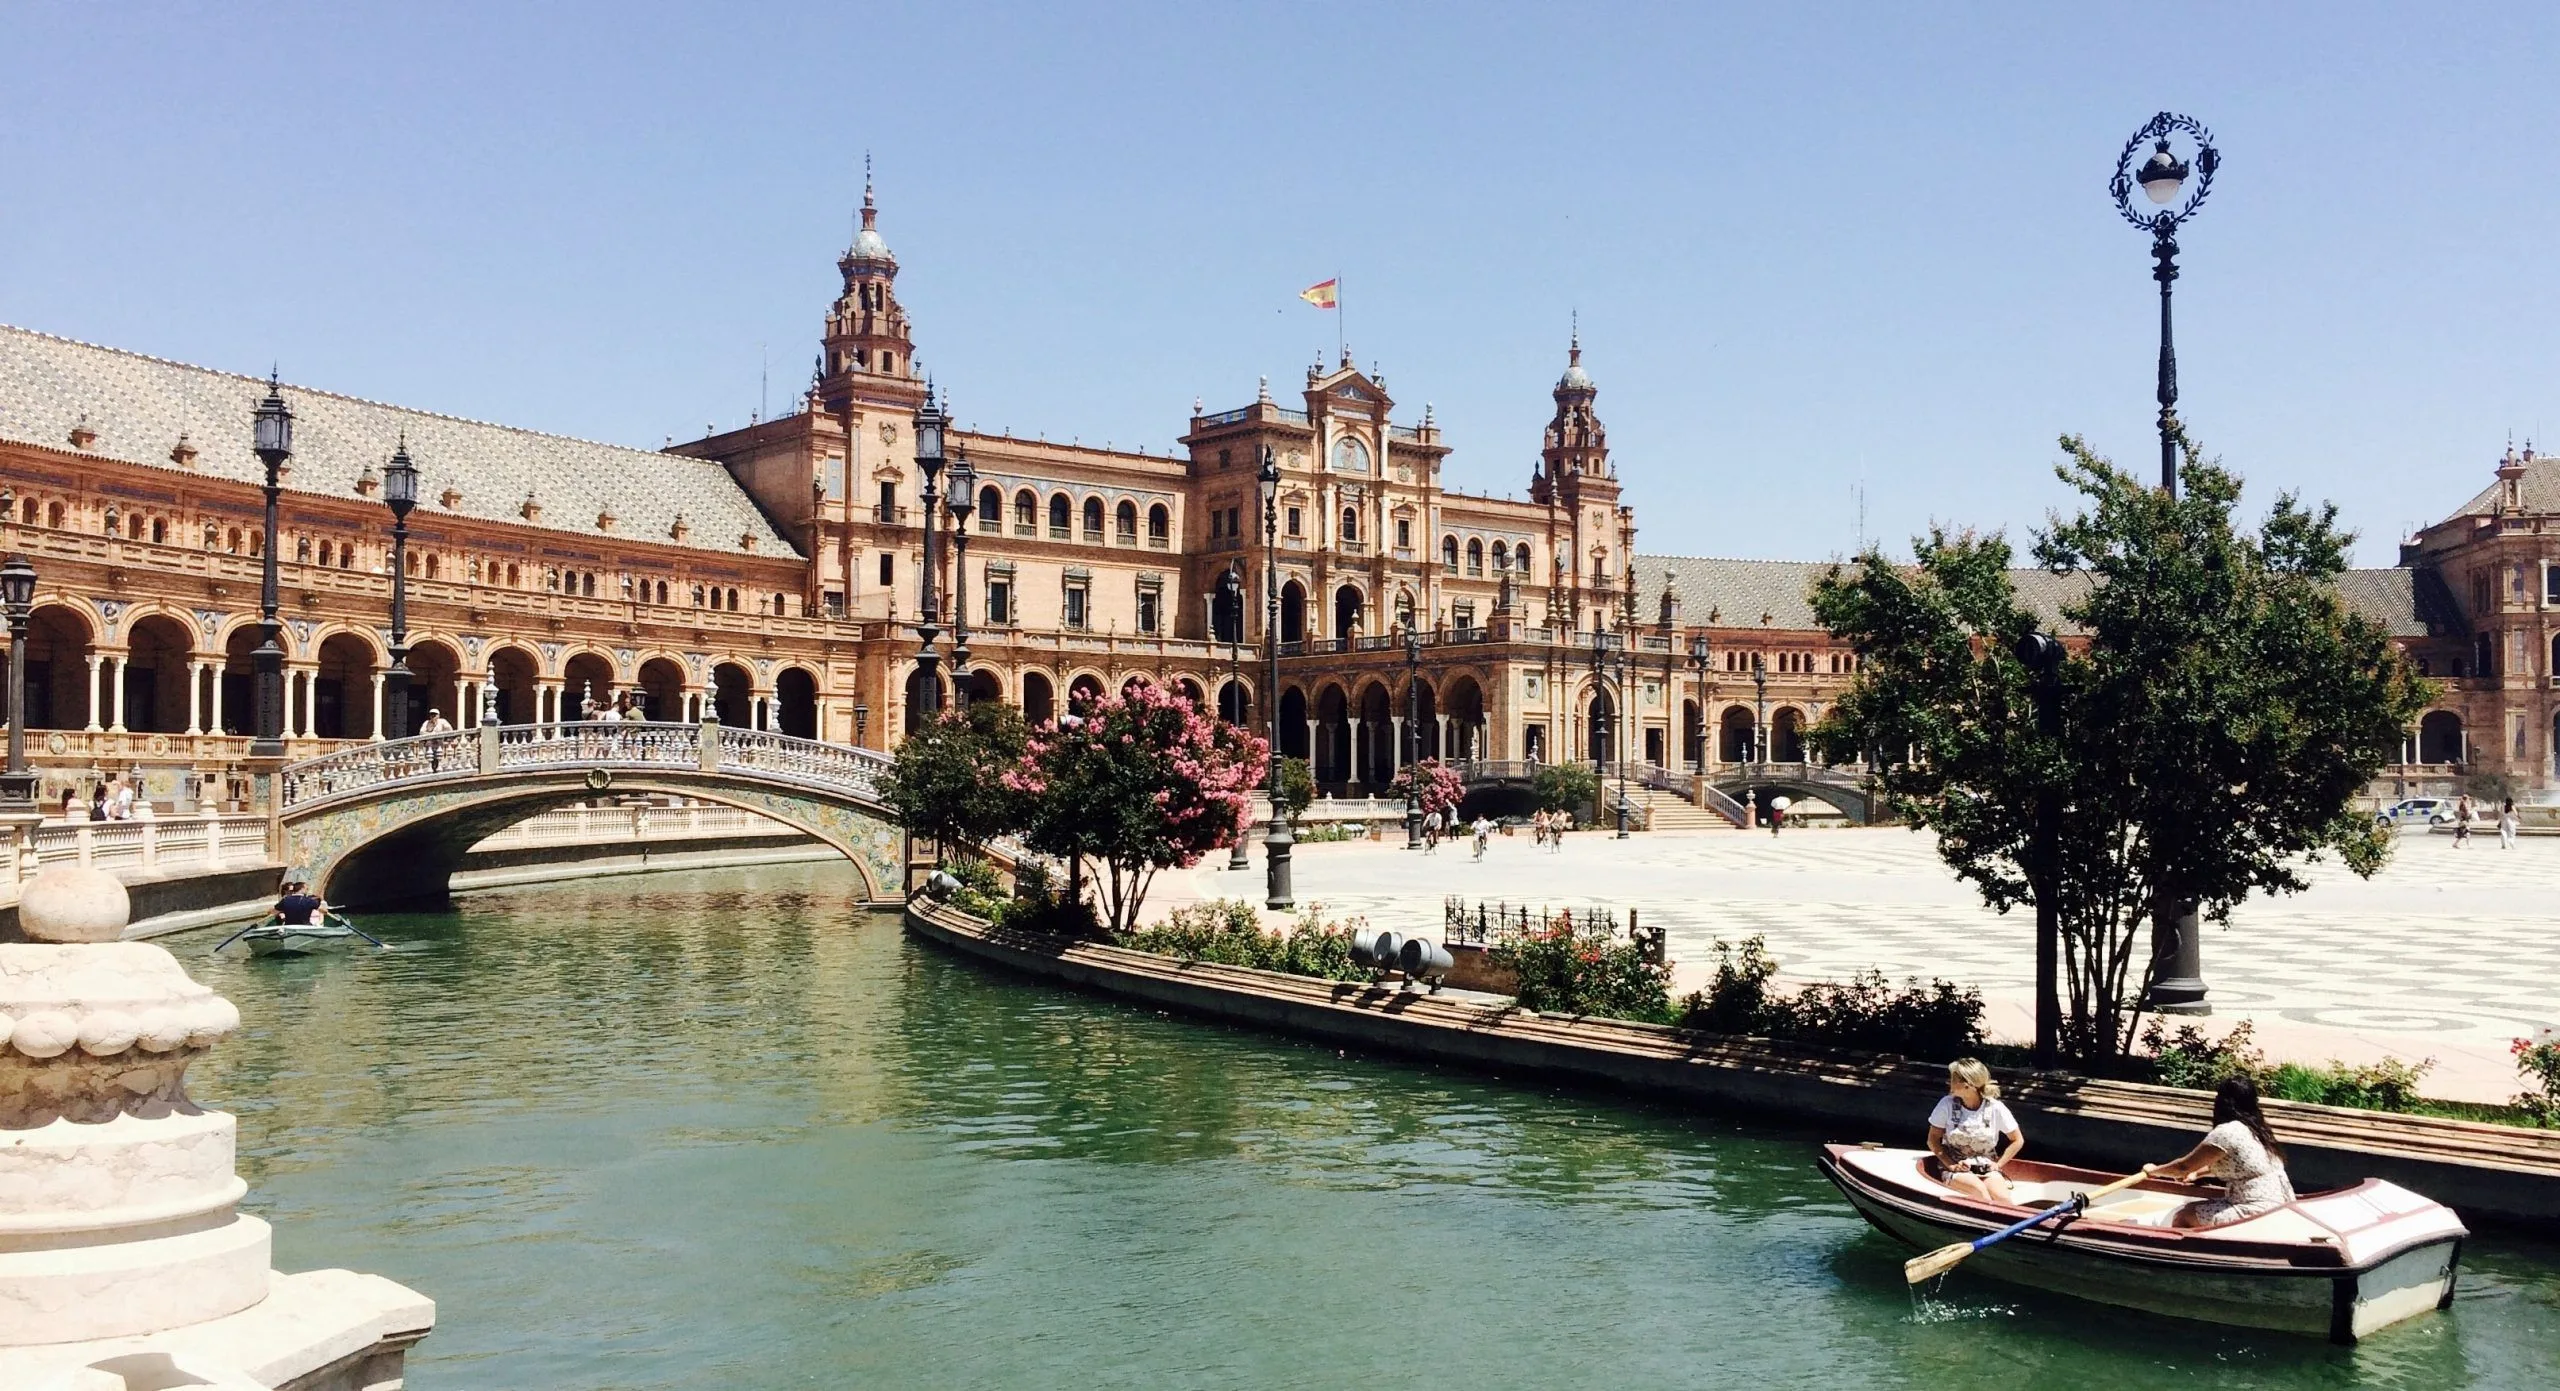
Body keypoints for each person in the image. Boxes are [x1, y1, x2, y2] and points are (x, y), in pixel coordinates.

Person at [2148, 1076, 2296, 1228]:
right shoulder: (2260, 1129)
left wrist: (2153, 1171)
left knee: (2183, 1217)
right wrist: (2197, 1174)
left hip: (2258, 1208)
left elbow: (2183, 1167)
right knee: (2190, 1208)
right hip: (2283, 1203)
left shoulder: (2226, 1132)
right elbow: (2238, 1166)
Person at [1926, 1058, 2024, 1205]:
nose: (1949, 1082)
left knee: (2004, 1200)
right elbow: (1932, 1140)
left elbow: (2017, 1140)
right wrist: (1951, 1165)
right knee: (1980, 1192)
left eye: (1953, 1079)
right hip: (1957, 1168)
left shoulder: (1995, 1107)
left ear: (1967, 1085)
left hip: (1986, 1167)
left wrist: (1998, 1164)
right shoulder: (1946, 1104)